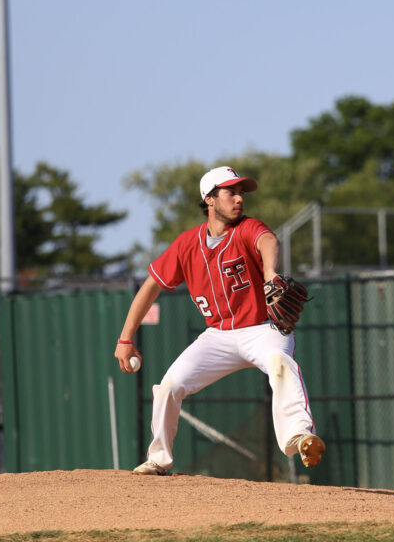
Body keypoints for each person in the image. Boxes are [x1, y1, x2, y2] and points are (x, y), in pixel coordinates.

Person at [114, 165, 324, 476]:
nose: (239, 199)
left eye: (241, 193)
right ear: (210, 199)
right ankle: (158, 459)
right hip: (218, 336)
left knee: (281, 362)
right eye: (231, 192)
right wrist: (125, 339)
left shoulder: (247, 228)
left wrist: (270, 273)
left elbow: (268, 240)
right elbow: (151, 286)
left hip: (262, 329)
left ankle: (300, 437)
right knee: (170, 385)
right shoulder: (187, 244)